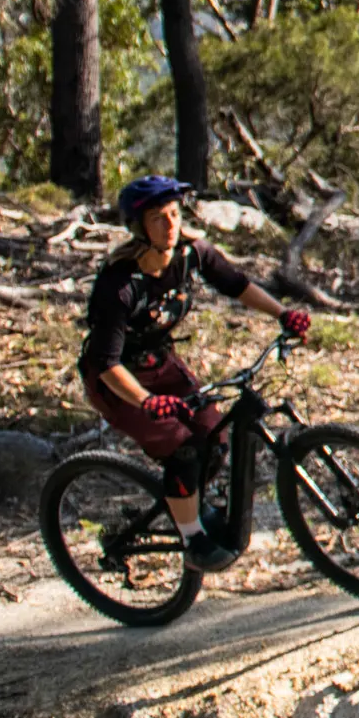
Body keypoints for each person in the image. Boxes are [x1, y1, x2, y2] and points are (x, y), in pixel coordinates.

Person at [81, 175, 308, 572]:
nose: (170, 225)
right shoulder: (119, 284)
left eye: (174, 214)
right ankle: (193, 541)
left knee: (215, 436)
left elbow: (236, 285)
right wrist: (148, 402)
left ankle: (184, 504)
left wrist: (282, 314)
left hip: (161, 364)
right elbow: (105, 364)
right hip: (117, 383)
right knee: (184, 450)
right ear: (139, 227)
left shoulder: (191, 252)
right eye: (157, 219)